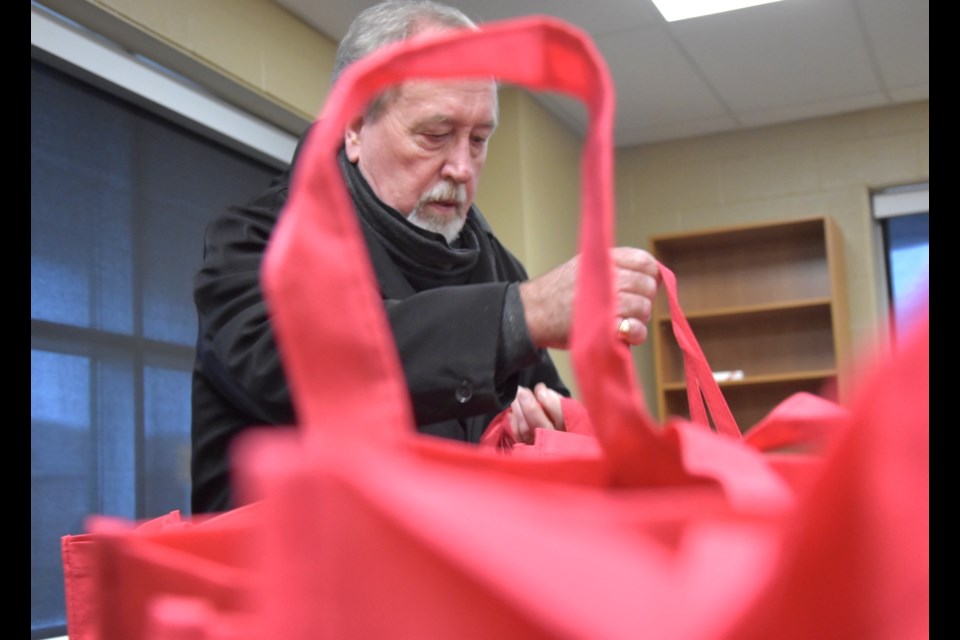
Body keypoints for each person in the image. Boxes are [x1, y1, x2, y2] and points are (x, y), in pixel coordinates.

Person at [190, 0, 660, 514]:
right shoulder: (253, 241)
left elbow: (551, 410)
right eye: (435, 136)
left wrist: (546, 430)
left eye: (479, 140)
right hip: (291, 584)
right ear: (353, 127)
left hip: (445, 580)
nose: (462, 167)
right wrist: (517, 316)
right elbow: (309, 370)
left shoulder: (496, 266)